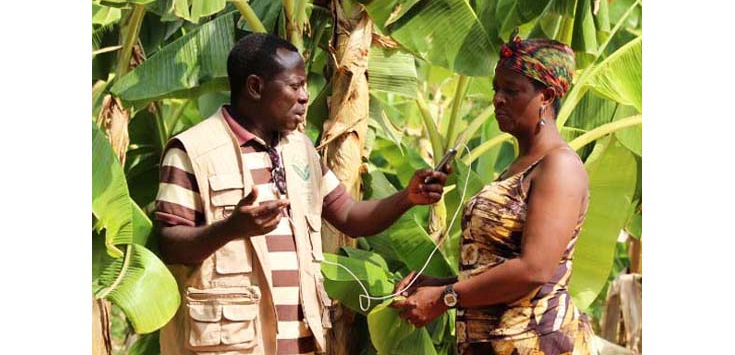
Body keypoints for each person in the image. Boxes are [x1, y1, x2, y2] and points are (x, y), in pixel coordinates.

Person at [154, 33, 449, 355]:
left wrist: (407, 197)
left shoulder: (300, 149)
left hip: (304, 345)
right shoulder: (193, 150)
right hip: (231, 345)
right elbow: (170, 245)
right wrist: (232, 228)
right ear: (255, 87)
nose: (305, 97)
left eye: (305, 86)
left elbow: (350, 217)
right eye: (294, 86)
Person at [392, 31, 598, 355]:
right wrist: (434, 284)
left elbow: (535, 269)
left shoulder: (559, 166)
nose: (498, 99)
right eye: (496, 89)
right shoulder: (518, 166)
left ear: (545, 96)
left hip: (535, 342)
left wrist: (446, 297)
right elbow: (495, 265)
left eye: (512, 90)